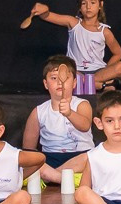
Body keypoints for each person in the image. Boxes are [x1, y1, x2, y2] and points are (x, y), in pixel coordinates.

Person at [25, 0, 121, 92]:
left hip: (98, 71)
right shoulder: (73, 23)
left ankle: (86, 83)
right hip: (76, 70)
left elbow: (118, 53)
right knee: (62, 69)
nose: (88, 7)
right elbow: (47, 16)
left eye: (92, 2)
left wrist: (106, 70)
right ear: (79, 7)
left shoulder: (104, 31)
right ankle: (100, 85)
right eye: (84, 3)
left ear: (100, 5)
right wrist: (44, 9)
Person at [21, 55, 93, 186]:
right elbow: (28, 148)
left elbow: (85, 126)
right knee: (35, 162)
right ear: (45, 84)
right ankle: (65, 179)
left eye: (65, 78)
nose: (60, 82)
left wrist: (70, 113)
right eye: (54, 78)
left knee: (89, 158)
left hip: (78, 157)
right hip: (50, 158)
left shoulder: (82, 105)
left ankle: (50, 177)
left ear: (74, 83)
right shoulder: (39, 111)